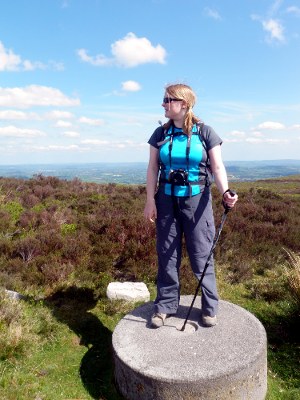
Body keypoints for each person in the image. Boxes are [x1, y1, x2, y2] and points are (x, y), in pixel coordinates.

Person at [144, 83, 238, 329]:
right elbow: (153, 168)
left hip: (198, 201)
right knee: (167, 254)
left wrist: (225, 191)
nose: (163, 104)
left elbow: (217, 167)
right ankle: (164, 306)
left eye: (168, 100)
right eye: (164, 99)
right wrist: (149, 201)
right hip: (166, 200)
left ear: (183, 104)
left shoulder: (205, 132)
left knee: (201, 255)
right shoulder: (160, 134)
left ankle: (209, 307)